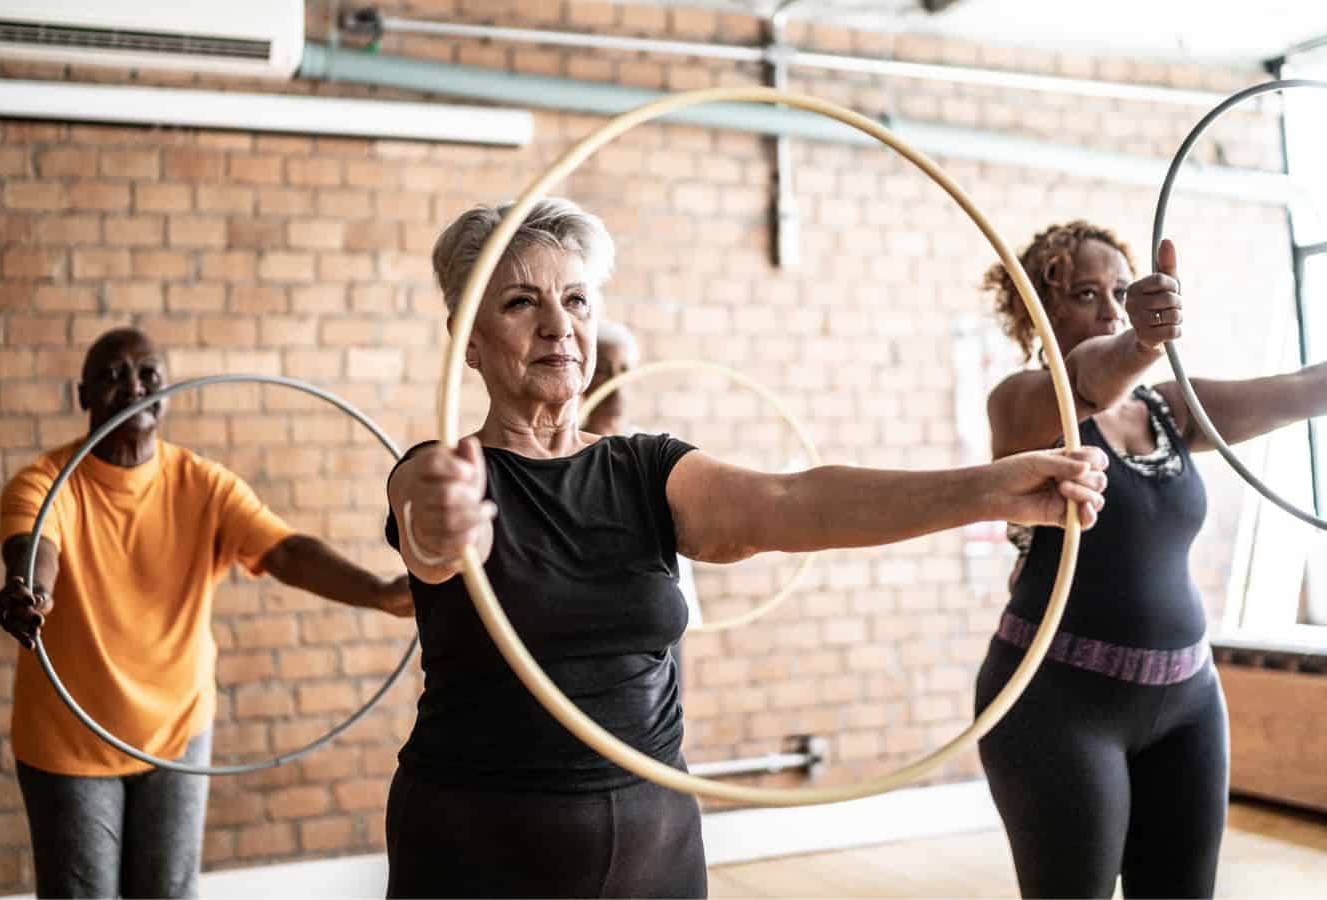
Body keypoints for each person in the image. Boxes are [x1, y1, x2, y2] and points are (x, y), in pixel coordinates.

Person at [381, 198, 1110, 898]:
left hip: (654, 843)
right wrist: (445, 530)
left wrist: (990, 489)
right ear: (467, 339)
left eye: (575, 301)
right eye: (519, 303)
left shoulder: (643, 468)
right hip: (476, 842)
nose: (557, 327)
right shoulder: (437, 474)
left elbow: (791, 502)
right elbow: (428, 539)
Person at [975, 221, 1327, 898]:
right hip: (1057, 706)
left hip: (1187, 702)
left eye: (1121, 291)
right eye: (1084, 293)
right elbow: (1092, 381)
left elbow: (1305, 387)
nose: (1108, 307)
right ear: (1039, 308)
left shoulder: (1169, 410)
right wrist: (1142, 341)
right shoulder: (1021, 405)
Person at [0, 327, 412, 899]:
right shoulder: (44, 483)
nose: (133, 386)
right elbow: (34, 551)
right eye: (113, 376)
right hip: (70, 741)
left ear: (166, 393)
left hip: (178, 728)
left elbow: (285, 550)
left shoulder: (202, 484)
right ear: (83, 395)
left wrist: (382, 593)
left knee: (169, 891)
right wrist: (28, 592)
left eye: (149, 375)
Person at [580, 320, 704, 642]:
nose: (617, 382)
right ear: (586, 378)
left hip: (661, 612)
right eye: (605, 370)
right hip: (601, 621)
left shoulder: (656, 452)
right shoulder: (568, 455)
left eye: (625, 370)